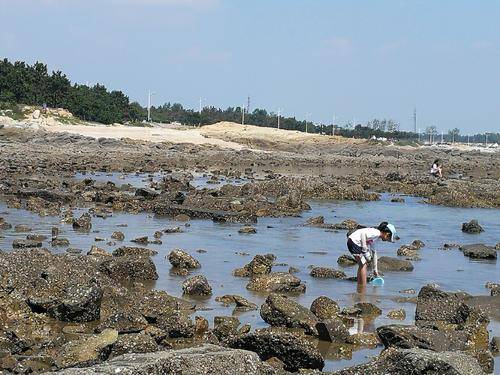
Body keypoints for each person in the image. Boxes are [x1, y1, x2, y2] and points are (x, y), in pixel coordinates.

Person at [346, 222, 397, 288]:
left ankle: (360, 285)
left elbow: (374, 252)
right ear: (387, 234)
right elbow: (363, 234)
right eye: (388, 238)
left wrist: (375, 270)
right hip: (354, 242)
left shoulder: (376, 238)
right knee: (363, 265)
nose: (387, 240)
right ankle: (363, 286)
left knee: (362, 264)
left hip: (354, 242)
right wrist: (365, 249)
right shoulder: (376, 232)